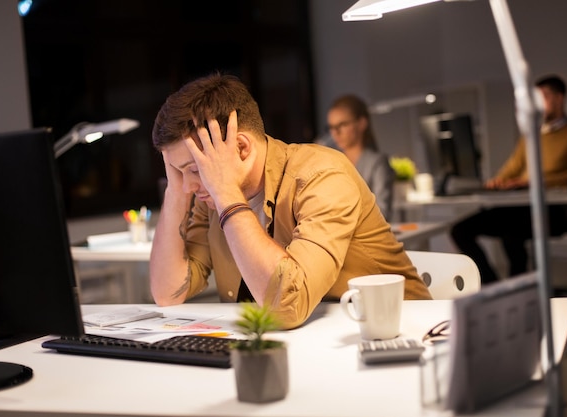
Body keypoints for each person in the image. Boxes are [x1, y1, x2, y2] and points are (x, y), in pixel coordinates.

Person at [149, 73, 432, 329]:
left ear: (242, 148)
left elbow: (287, 307)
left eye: (196, 170)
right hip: (308, 339)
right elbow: (167, 292)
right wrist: (175, 194)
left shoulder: (322, 175)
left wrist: (225, 192)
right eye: (178, 172)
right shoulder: (207, 196)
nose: (189, 185)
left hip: (396, 334)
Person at [450, 75, 567, 284]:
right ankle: (495, 286)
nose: (537, 104)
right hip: (519, 205)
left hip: (554, 209)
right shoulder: (530, 137)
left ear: (559, 98)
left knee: (511, 234)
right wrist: (497, 182)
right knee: (460, 230)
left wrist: (532, 182)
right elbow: (512, 168)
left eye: (543, 97)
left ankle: (517, 290)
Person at [327, 94, 395, 220]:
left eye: (342, 124)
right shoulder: (332, 162)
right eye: (331, 127)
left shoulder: (376, 162)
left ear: (362, 123)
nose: (336, 133)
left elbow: (382, 213)